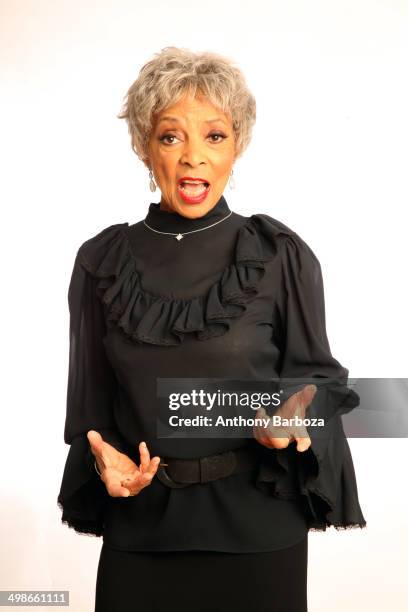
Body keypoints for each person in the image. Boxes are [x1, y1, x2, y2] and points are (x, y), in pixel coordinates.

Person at [57, 46, 366, 612]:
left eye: (215, 137)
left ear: (237, 145)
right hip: (143, 530)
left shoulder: (277, 254)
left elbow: (321, 380)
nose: (193, 157)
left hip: (257, 530)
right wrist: (105, 459)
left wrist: (291, 415)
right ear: (145, 148)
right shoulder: (101, 260)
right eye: (171, 137)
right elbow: (92, 408)